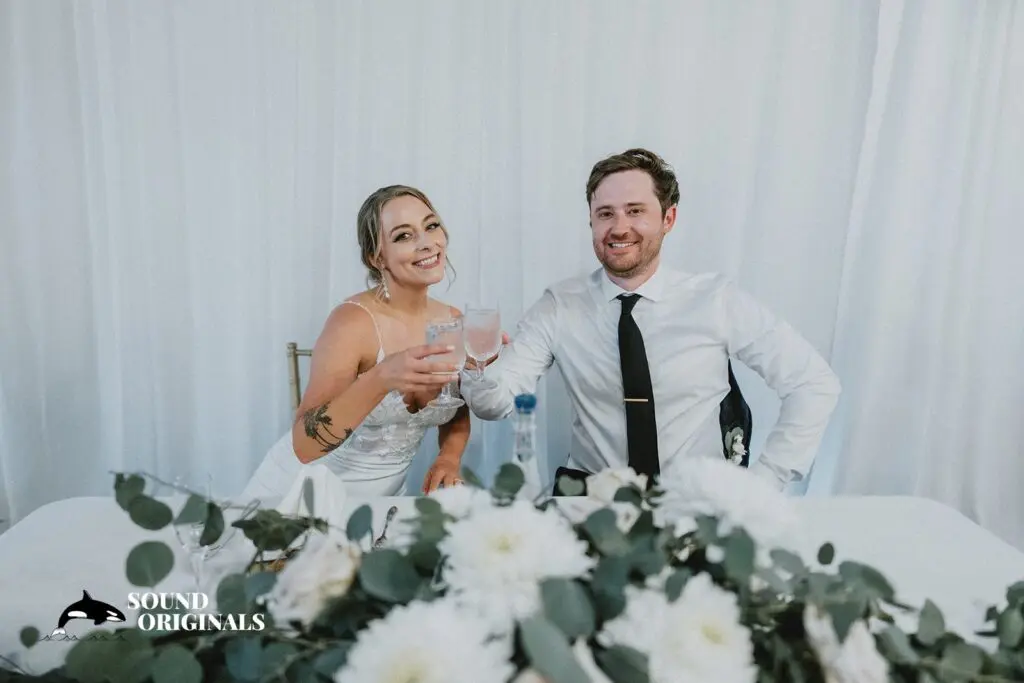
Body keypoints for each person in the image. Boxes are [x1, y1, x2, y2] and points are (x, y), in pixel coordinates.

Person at [461, 148, 841, 493]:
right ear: (591, 221)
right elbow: (493, 404)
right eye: (605, 214)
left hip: (696, 502)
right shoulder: (558, 306)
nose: (619, 227)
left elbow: (813, 382)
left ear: (668, 218)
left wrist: (766, 480)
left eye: (635, 211)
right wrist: (479, 372)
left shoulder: (716, 300)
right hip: (590, 502)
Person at [242, 185, 470, 500]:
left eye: (431, 226)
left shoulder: (452, 321)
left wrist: (449, 457)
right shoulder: (353, 322)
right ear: (377, 257)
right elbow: (304, 446)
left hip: (382, 502)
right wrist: (381, 377)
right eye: (404, 236)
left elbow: (455, 406)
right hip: (301, 496)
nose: (427, 243)